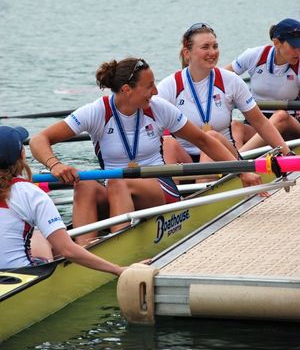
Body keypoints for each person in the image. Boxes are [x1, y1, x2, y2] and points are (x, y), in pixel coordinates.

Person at [30, 57, 257, 238]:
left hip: (158, 188)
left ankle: (117, 245)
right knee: (85, 184)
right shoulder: (96, 111)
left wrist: (243, 170)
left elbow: (204, 141)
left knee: (118, 182)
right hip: (115, 189)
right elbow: (39, 140)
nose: (156, 92)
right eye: (149, 86)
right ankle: (82, 251)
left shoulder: (158, 108)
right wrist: (55, 164)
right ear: (127, 89)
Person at [157, 22, 292, 167]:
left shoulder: (231, 81)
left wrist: (288, 155)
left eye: (215, 46)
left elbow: (260, 122)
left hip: (226, 157)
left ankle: (204, 185)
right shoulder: (170, 85)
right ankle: (170, 187)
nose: (212, 52)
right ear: (187, 53)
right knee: (168, 143)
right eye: (205, 47)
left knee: (210, 137)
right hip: (186, 160)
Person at [0, 124, 125, 275]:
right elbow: (67, 251)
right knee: (41, 237)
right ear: (22, 154)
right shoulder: (31, 193)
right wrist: (119, 270)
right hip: (21, 274)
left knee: (39, 235)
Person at [224, 18, 300, 151]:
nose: (298, 52)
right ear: (277, 43)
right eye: (294, 47)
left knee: (280, 116)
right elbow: (220, 76)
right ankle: (242, 166)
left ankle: (237, 162)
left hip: (291, 125)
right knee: (236, 125)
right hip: (258, 124)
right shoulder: (254, 56)